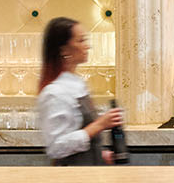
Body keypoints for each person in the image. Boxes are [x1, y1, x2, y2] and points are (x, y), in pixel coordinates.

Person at [34, 17, 123, 165]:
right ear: (64, 49)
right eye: (81, 41)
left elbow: (78, 136)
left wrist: (99, 154)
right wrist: (99, 125)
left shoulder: (77, 84)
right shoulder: (54, 93)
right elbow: (56, 147)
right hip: (72, 179)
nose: (87, 46)